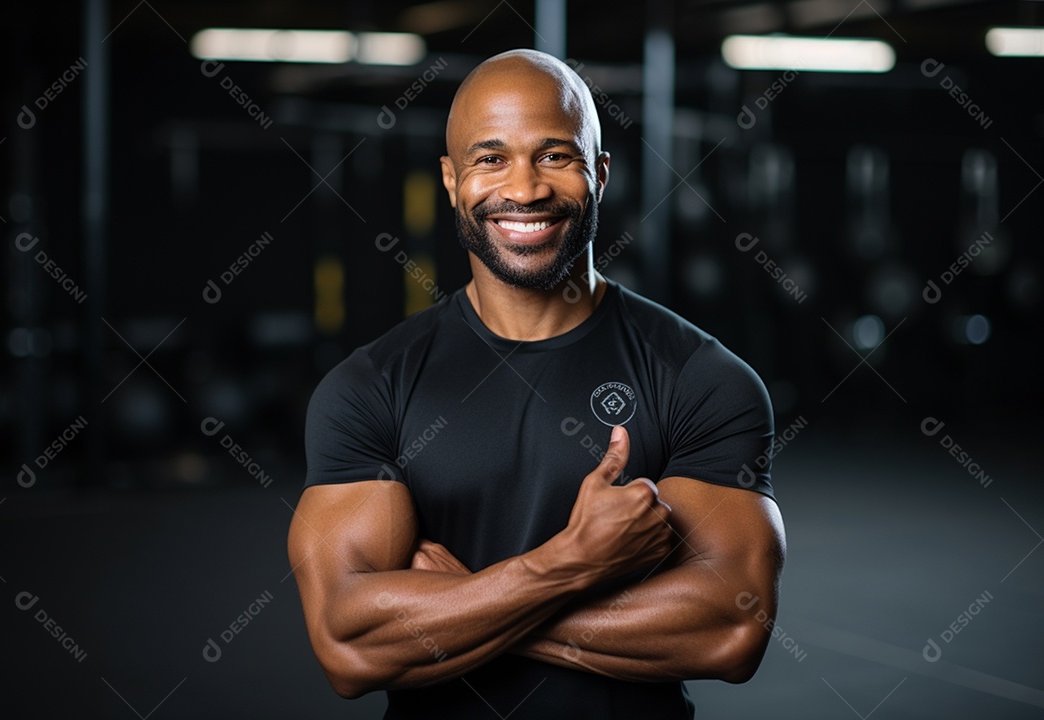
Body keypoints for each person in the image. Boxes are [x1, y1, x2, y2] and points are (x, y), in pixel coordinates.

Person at [288, 48, 786, 720]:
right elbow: (350, 647)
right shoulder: (369, 388)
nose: (523, 190)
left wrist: (471, 602)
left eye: (556, 155)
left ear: (601, 173)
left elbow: (730, 628)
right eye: (491, 158)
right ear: (450, 178)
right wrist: (567, 566)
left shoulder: (702, 380)